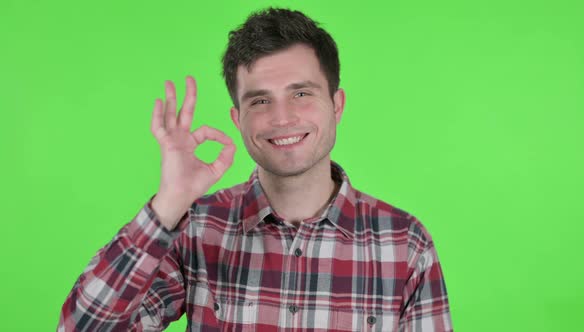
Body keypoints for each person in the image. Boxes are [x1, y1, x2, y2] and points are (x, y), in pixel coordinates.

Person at [58, 7, 452, 332]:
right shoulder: (197, 229)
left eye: (301, 93)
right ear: (238, 118)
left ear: (338, 104)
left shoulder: (406, 244)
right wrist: (169, 203)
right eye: (260, 101)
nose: (283, 118)